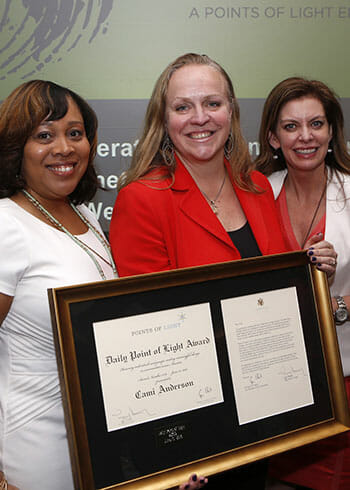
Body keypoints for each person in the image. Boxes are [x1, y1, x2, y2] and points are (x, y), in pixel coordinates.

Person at [0, 80, 207, 490]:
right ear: (15, 148)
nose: (64, 148)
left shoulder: (87, 219)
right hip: (35, 447)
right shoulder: (6, 223)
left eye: (75, 133)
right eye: (44, 135)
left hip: (97, 439)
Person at [110, 52, 298, 489]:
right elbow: (149, 331)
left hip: (260, 409)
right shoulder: (143, 198)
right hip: (191, 425)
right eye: (183, 106)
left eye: (212, 103)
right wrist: (177, 451)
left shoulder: (255, 189)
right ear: (165, 118)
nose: (200, 118)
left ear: (231, 110)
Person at [255, 77, 350, 490]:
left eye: (317, 124)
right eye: (291, 127)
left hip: (345, 377)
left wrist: (339, 305)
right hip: (274, 382)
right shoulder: (254, 195)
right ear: (274, 138)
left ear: (332, 132)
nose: (305, 136)